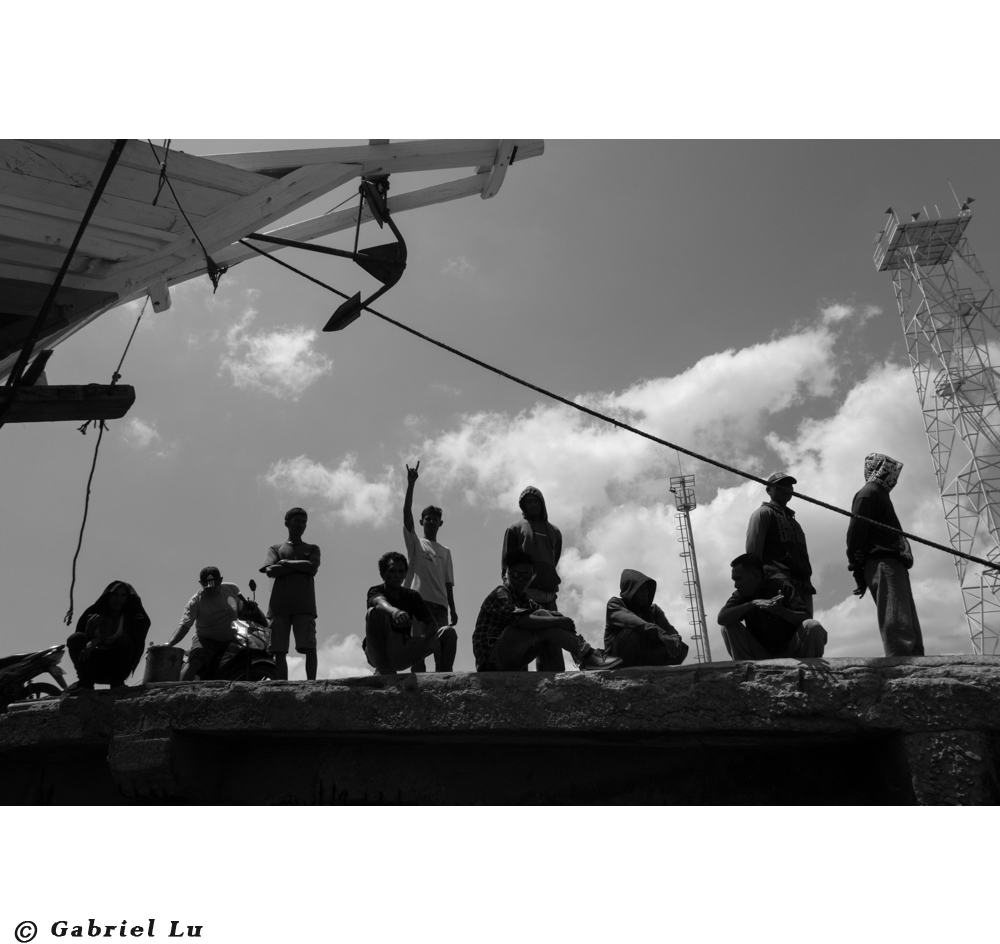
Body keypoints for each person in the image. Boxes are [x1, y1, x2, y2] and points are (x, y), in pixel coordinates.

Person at [473, 549, 623, 672]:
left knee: (549, 619)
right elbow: (522, 621)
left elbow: (550, 616)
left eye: (526, 576)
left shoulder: (524, 598)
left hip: (512, 661)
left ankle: (580, 661)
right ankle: (588, 655)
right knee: (543, 619)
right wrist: (557, 621)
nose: (521, 580)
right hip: (492, 661)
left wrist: (563, 621)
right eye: (516, 575)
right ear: (505, 574)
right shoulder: (500, 594)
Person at [846, 453, 924, 656]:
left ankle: (916, 661)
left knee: (908, 622)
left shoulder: (880, 494)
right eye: (889, 471)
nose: (893, 477)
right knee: (897, 622)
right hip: (884, 564)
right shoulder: (869, 493)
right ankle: (901, 666)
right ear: (878, 470)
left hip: (895, 565)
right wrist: (857, 569)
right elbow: (855, 535)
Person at [718, 553, 827, 660]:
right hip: (760, 657)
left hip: (793, 654)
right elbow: (721, 618)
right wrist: (753, 604)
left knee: (812, 626)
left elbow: (806, 618)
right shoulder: (740, 594)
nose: (736, 585)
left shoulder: (781, 586)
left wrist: (781, 611)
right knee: (728, 624)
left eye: (738, 579)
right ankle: (746, 670)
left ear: (756, 575)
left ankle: (811, 670)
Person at [364, 551, 457, 675]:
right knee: (373, 612)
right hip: (379, 653)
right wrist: (394, 612)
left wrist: (422, 640)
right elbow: (379, 602)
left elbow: (432, 624)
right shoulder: (375, 591)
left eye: (401, 572)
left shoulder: (412, 596)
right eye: (392, 571)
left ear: (405, 575)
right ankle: (383, 669)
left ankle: (445, 677)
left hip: (404, 649)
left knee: (448, 632)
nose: (397, 575)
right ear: (383, 574)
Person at [402, 460, 457, 671]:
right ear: (421, 522)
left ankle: (443, 684)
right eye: (428, 519)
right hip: (419, 603)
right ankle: (417, 689)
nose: (431, 522)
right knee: (417, 652)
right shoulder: (416, 544)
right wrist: (411, 484)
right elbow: (406, 515)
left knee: (442, 651)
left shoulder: (445, 551)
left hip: (441, 607)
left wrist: (453, 608)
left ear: (440, 523)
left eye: (435, 519)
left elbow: (448, 582)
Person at [502, 486, 565, 670]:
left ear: (542, 503)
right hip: (524, 593)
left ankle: (555, 680)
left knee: (552, 637)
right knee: (522, 638)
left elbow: (553, 561)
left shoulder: (555, 531)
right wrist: (510, 591)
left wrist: (547, 579)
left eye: (536, 501)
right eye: (528, 502)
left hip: (548, 595)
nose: (533, 505)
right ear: (522, 505)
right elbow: (507, 563)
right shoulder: (515, 528)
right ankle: (519, 679)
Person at [260, 507, 320, 680]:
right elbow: (270, 570)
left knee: (309, 647)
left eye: (304, 522)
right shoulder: (276, 548)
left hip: (304, 605)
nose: (301, 525)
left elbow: (312, 567)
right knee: (279, 650)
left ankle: (311, 684)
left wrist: (285, 563)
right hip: (279, 606)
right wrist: (301, 566)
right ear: (287, 523)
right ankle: (281, 685)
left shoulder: (312, 548)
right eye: (297, 521)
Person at [746, 471, 817, 614]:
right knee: (784, 622)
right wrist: (757, 582)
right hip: (778, 579)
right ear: (769, 490)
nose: (786, 488)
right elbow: (753, 553)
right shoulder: (763, 513)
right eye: (780, 485)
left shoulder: (794, 522)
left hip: (803, 582)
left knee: (808, 623)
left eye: (789, 485)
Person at [66, 580, 151, 690]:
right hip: (92, 668)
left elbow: (131, 644)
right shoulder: (93, 615)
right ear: (108, 596)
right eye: (115, 595)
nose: (118, 599)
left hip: (116, 669)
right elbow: (82, 643)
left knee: (124, 642)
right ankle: (84, 683)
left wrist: (99, 640)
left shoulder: (131, 619)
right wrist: (89, 630)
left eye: (123, 595)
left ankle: (117, 684)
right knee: (75, 638)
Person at [166, 567, 244, 681]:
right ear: (200, 584)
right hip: (205, 639)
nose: (210, 589)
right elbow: (184, 626)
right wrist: (169, 644)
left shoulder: (232, 589)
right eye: (206, 586)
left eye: (213, 585)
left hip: (231, 639)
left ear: (220, 580)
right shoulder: (196, 601)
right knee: (195, 661)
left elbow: (242, 611)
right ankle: (178, 688)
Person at [604, 569, 689, 667]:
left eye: (646, 589)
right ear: (630, 591)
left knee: (681, 649)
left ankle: (648, 669)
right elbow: (633, 622)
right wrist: (659, 633)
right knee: (632, 632)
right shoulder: (615, 604)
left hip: (644, 658)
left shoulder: (653, 610)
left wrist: (675, 641)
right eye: (640, 589)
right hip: (619, 659)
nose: (645, 593)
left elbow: (669, 630)